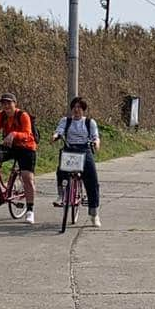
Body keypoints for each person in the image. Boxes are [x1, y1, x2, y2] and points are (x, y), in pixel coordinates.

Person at [0, 93, 38, 224]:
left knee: (27, 177)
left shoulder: (23, 116)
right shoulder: (0, 115)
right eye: (3, 103)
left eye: (9, 103)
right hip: (10, 146)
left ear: (15, 103)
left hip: (26, 147)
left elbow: (27, 134)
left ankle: (30, 210)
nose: (6, 106)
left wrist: (14, 134)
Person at [52, 96, 102, 227]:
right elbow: (59, 131)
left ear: (83, 109)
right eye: (74, 107)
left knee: (92, 179)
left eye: (79, 107)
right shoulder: (65, 120)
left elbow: (95, 136)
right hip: (69, 148)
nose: (76, 110)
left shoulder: (89, 122)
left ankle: (94, 213)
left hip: (84, 150)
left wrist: (96, 143)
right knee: (61, 170)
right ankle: (62, 195)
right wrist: (56, 136)